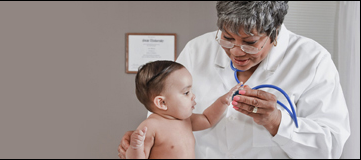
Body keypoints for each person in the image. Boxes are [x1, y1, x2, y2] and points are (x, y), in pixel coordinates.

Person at [118, 1, 350, 159]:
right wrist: (144, 140)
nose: (236, 52)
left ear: (275, 34)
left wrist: (277, 121)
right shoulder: (197, 50)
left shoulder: (312, 60)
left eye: (250, 43)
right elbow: (164, 114)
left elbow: (330, 147)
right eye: (227, 38)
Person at [125, 60, 243, 159]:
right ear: (162, 102)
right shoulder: (150, 126)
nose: (193, 96)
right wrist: (135, 147)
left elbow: (208, 119)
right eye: (186, 92)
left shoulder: (186, 120)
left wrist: (222, 101)